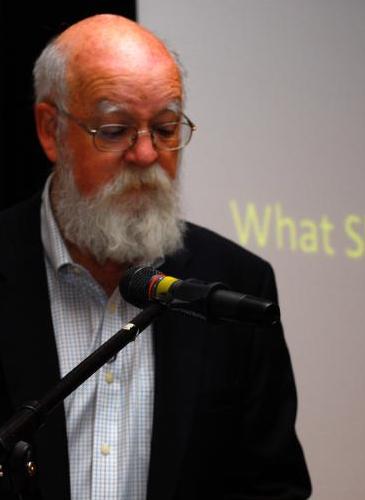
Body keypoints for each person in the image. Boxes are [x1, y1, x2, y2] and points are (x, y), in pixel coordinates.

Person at [0, 14, 311, 500]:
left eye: (166, 128)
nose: (146, 155)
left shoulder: (236, 284)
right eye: (115, 129)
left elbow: (272, 486)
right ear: (50, 130)